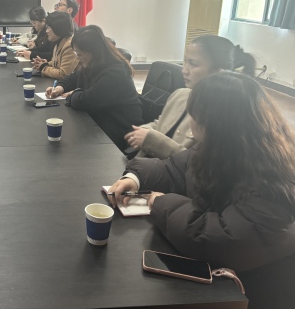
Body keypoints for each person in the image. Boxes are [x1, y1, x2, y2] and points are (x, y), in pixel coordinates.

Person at [107, 72, 295, 308]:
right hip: (223, 277)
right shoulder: (222, 146)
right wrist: (135, 178)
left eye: (194, 115)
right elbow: (174, 169)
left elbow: (224, 240)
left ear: (212, 123)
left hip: (254, 293)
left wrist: (161, 203)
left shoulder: (271, 178)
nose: (191, 121)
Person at [124, 35, 256, 159]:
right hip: (143, 168)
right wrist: (144, 131)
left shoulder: (222, 116)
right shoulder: (180, 95)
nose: (184, 70)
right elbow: (161, 123)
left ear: (218, 73)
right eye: (185, 61)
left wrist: (152, 140)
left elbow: (197, 163)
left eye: (193, 64)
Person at [45, 25, 142, 150]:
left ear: (94, 52)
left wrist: (74, 93)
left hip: (121, 131)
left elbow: (85, 101)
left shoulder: (115, 72)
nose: (78, 58)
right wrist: (60, 88)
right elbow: (73, 77)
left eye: (80, 54)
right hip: (101, 119)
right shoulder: (93, 65)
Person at [32, 11, 79, 79]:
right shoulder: (59, 41)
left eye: (49, 27)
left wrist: (43, 67)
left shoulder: (69, 46)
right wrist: (46, 64)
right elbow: (57, 63)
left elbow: (63, 74)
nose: (46, 31)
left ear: (58, 28)